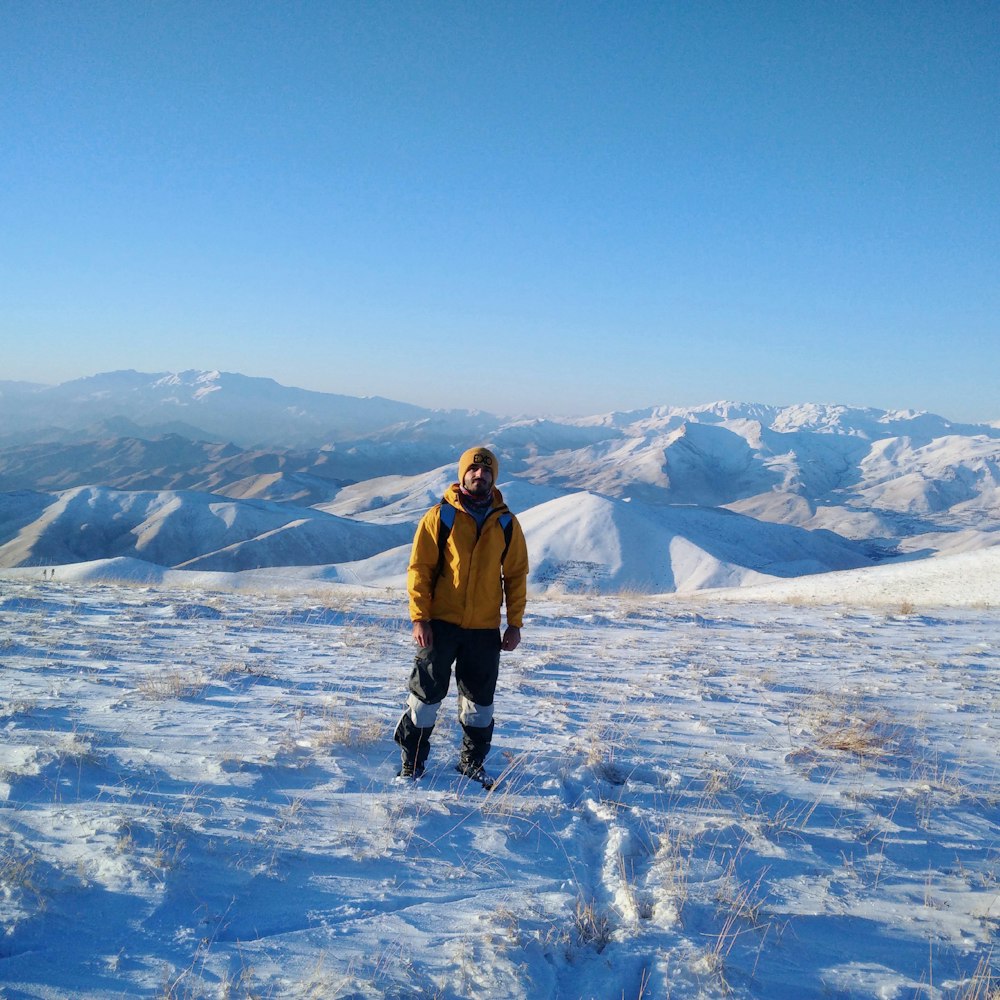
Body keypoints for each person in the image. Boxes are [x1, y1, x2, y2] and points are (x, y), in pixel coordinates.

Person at [393, 445, 529, 787]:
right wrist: (419, 617)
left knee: (479, 703)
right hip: (439, 624)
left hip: (484, 630)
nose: (479, 475)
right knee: (424, 697)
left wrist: (514, 624)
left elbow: (515, 576)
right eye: (473, 470)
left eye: (486, 471)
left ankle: (471, 762)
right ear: (463, 474)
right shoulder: (440, 517)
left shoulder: (507, 524)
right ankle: (412, 762)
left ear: (493, 477)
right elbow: (420, 569)